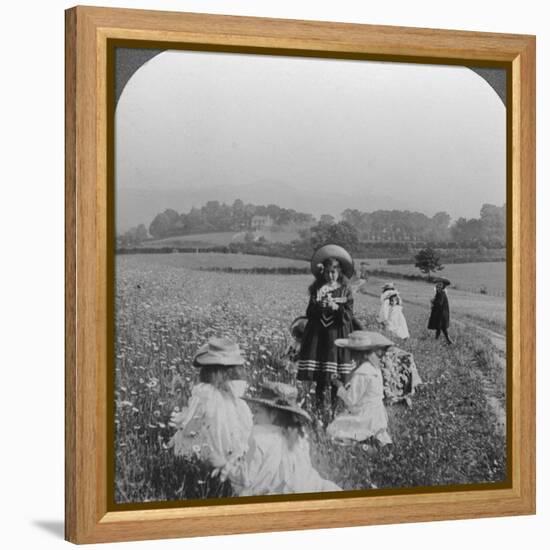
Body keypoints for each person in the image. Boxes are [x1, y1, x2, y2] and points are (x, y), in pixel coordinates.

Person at [221, 381, 341, 496]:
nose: (254, 416)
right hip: (311, 487)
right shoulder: (298, 436)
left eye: (258, 412)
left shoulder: (261, 436)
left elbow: (246, 477)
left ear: (273, 415)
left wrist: (226, 467)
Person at [168, 337, 253, 469]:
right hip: (213, 429)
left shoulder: (207, 392)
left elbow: (195, 419)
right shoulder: (208, 393)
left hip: (217, 425)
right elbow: (197, 416)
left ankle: (218, 453)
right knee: (218, 432)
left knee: (220, 431)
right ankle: (221, 453)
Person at [297, 244, 355, 415]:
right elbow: (309, 313)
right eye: (328, 272)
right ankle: (319, 409)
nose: (331, 275)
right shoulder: (317, 290)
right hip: (319, 337)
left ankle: (336, 410)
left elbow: (349, 315)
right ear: (323, 272)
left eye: (334, 272)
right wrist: (319, 306)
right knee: (322, 376)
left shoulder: (345, 290)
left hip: (337, 336)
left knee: (336, 377)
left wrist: (337, 308)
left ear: (340, 272)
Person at [327, 331, 393, 447]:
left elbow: (351, 400)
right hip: (377, 415)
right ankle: (373, 438)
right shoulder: (374, 368)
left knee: (333, 429)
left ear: (358, 354)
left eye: (351, 352)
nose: (350, 355)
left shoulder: (362, 373)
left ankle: (363, 444)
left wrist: (340, 386)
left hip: (365, 415)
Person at [428, 279, 453, 344]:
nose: (438, 285)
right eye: (438, 284)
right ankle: (440, 339)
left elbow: (439, 303)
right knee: (439, 327)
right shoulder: (439, 293)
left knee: (442, 327)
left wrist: (433, 301)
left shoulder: (441, 293)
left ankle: (448, 341)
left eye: (440, 284)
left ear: (443, 286)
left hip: (441, 314)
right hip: (440, 313)